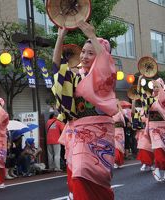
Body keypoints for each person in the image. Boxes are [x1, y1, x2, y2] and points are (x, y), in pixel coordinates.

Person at [52, 21, 117, 200]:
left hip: (101, 132)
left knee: (97, 177)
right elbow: (57, 68)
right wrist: (60, 37)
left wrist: (92, 36)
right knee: (79, 174)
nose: (84, 56)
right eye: (83, 52)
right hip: (78, 132)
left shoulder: (106, 78)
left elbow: (106, 64)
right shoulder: (75, 77)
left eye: (91, 53)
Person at [137, 76, 165, 181]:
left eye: (157, 86)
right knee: (158, 149)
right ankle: (157, 169)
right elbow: (141, 94)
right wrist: (140, 82)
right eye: (154, 87)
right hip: (154, 129)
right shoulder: (150, 99)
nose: (155, 88)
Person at [131, 102, 154, 172]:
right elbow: (132, 112)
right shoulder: (139, 110)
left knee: (149, 148)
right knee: (143, 147)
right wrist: (133, 101)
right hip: (141, 132)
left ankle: (149, 164)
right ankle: (144, 163)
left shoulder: (151, 109)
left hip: (149, 130)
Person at [113, 100, 126, 168]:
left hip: (118, 131)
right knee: (117, 146)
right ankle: (116, 161)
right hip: (116, 131)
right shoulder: (115, 114)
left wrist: (118, 103)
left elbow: (123, 115)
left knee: (119, 146)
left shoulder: (118, 113)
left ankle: (119, 162)